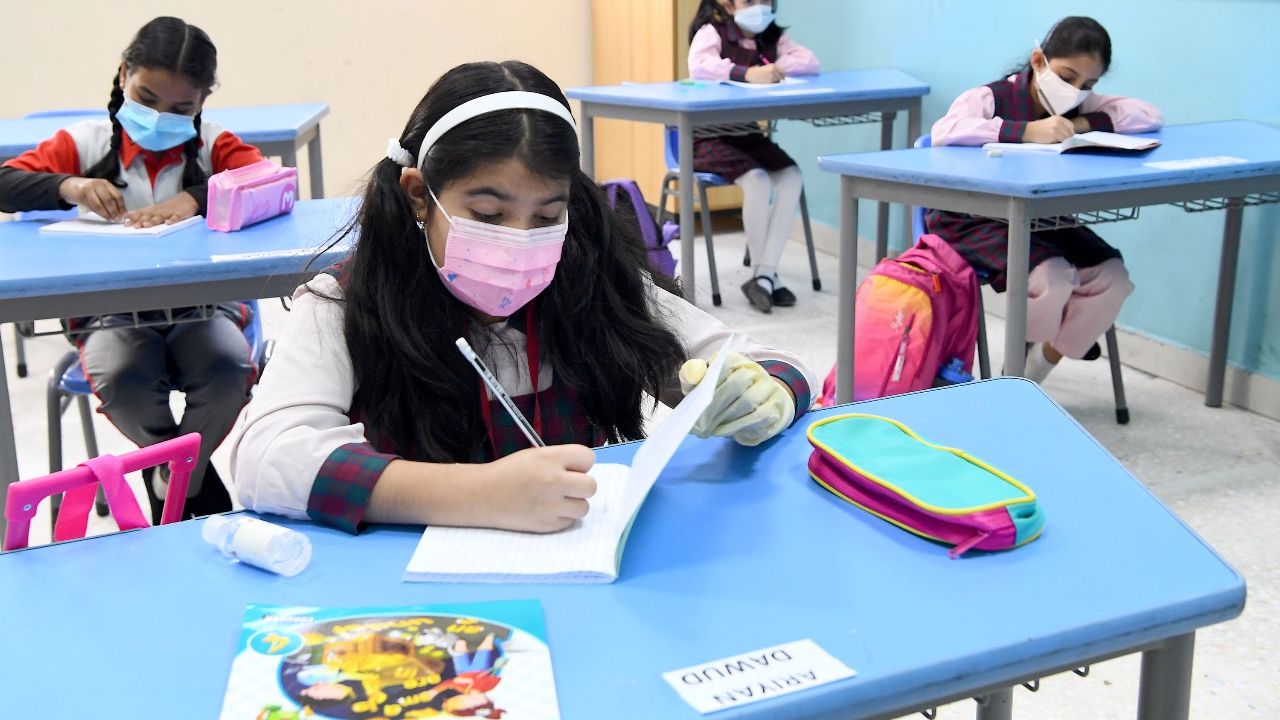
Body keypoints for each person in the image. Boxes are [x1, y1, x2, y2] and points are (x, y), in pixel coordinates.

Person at [230, 60, 816, 534]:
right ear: (418, 196)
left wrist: (761, 393)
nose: (518, 242)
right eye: (488, 214)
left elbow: (775, 362)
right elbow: (266, 459)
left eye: (547, 216)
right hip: (413, 596)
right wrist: (480, 494)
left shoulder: (590, 282)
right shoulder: (346, 305)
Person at [0, 16, 266, 520]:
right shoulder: (85, 143)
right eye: (146, 98)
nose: (161, 117)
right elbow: (5, 183)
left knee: (227, 369)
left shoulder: (213, 146)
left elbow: (269, 181)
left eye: (181, 108)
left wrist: (195, 197)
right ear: (124, 74)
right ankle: (187, 476)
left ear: (202, 102)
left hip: (203, 308)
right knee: (122, 378)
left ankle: (167, 478)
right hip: (110, 314)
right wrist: (69, 186)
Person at [927, 16, 1162, 382]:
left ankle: (1037, 366)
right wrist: (1027, 131)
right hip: (974, 219)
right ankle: (1017, 371)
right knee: (1053, 279)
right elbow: (945, 131)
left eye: (1089, 84)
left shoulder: (1080, 105)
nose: (1076, 91)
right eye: (1068, 77)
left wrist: (1082, 124)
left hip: (1042, 220)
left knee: (1112, 278)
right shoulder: (990, 98)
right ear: (1039, 61)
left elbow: (1148, 115)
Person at [687, 0, 819, 312]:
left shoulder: (771, 37)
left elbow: (809, 61)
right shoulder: (712, 32)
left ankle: (764, 275)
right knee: (758, 181)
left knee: (791, 176)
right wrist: (748, 73)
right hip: (707, 136)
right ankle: (768, 277)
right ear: (728, 3)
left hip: (746, 134)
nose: (758, 6)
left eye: (764, 1)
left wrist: (774, 70)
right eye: (749, 1)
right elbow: (699, 66)